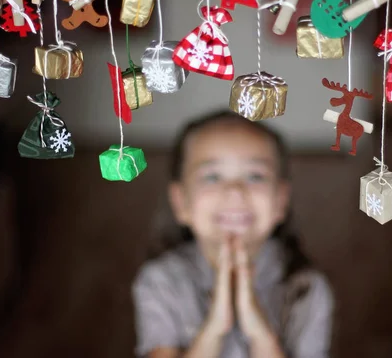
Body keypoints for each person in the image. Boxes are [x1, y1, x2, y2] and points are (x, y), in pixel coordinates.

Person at [132, 111, 334, 358]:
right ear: (180, 202)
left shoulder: (306, 288)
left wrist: (259, 332)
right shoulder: (160, 281)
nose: (235, 192)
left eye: (255, 176)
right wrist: (215, 328)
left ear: (281, 201)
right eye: (212, 177)